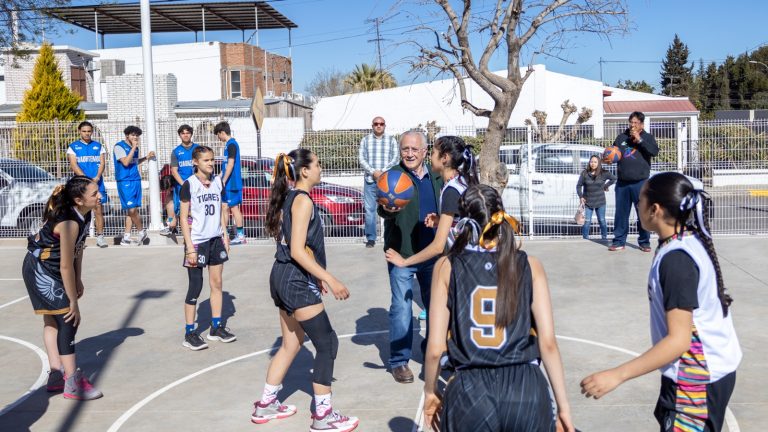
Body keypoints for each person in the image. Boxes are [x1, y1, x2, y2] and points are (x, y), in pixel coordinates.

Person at [581, 172, 741, 432]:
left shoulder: (677, 260)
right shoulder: (686, 240)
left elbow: (679, 341)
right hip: (705, 374)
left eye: (641, 200)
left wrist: (617, 375)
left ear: (654, 209)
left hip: (696, 379)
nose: (637, 206)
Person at [423, 184, 574, 432]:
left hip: (471, 390)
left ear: (462, 222)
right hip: (525, 387)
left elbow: (435, 349)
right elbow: (547, 343)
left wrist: (430, 390)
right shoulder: (530, 265)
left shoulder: (447, 267)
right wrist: (563, 407)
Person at [253, 150, 358, 432]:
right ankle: (323, 416)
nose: (321, 168)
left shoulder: (291, 197)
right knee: (327, 344)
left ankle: (266, 404)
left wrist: (316, 274)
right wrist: (331, 278)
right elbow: (298, 250)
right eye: (318, 163)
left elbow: (298, 249)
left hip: (285, 277)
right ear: (304, 172)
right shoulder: (302, 201)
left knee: (291, 344)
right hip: (294, 280)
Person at [22, 176, 104, 400]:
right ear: (78, 199)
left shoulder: (83, 215)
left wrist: (78, 280)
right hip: (40, 268)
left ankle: (56, 374)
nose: (100, 196)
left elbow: (78, 250)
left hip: (51, 266)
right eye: (95, 194)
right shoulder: (69, 222)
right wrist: (73, 302)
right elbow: (65, 264)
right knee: (69, 319)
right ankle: (72, 382)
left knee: (52, 320)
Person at [385, 135, 478, 321]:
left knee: (452, 317)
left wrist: (404, 262)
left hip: (458, 262)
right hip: (468, 261)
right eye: (405, 149)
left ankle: (440, 349)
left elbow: (437, 245)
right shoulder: (460, 181)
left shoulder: (449, 187)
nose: (410, 154)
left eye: (433, 152)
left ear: (443, 158)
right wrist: (441, 221)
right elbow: (461, 219)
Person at [378, 131, 442, 384]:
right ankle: (399, 361)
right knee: (402, 308)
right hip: (401, 254)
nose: (410, 153)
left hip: (432, 253)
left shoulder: (436, 175)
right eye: (405, 149)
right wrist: (387, 208)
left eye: (415, 149)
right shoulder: (393, 176)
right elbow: (382, 209)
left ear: (425, 152)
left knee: (436, 307)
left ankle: (433, 348)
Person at [179, 146, 235, 350]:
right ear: (195, 162)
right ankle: (189, 332)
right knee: (195, 286)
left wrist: (225, 234)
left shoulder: (218, 182)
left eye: (212, 160)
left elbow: (221, 209)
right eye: (206, 160)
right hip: (197, 241)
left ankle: (216, 327)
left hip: (215, 239)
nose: (210, 163)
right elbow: (183, 218)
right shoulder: (189, 185)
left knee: (217, 283)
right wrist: (190, 247)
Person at [609, 111, 659, 252]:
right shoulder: (621, 137)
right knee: (621, 214)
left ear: (641, 124)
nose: (632, 125)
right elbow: (614, 153)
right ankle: (619, 241)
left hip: (641, 183)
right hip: (622, 183)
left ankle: (644, 242)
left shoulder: (648, 137)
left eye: (636, 123)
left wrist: (640, 140)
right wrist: (608, 157)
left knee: (643, 213)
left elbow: (654, 152)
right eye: (631, 122)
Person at [358, 116, 400, 248]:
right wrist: (373, 172)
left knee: (389, 208)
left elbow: (396, 158)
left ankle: (390, 236)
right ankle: (371, 238)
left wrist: (382, 171)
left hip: (386, 181)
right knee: (370, 210)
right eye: (376, 124)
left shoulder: (391, 140)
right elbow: (361, 158)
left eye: (381, 124)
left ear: (385, 125)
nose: (379, 126)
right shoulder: (365, 140)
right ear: (372, 125)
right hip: (370, 180)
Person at [67, 121, 109, 248]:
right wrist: (86, 180)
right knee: (79, 211)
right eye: (84, 131)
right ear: (80, 131)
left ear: (92, 132)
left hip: (97, 183)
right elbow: (74, 165)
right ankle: (79, 238)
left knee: (98, 210)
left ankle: (100, 237)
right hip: (81, 184)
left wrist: (96, 177)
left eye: (89, 131)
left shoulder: (98, 146)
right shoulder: (73, 147)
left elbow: (102, 163)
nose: (87, 133)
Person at [113, 125, 155, 246]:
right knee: (131, 209)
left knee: (132, 210)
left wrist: (146, 157)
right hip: (124, 180)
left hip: (135, 179)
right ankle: (141, 231)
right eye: (132, 135)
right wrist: (134, 147)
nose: (135, 137)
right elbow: (125, 162)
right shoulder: (119, 146)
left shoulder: (134, 148)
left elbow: (134, 162)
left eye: (137, 135)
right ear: (127, 135)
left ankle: (126, 237)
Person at [161, 124, 199, 236]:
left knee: (194, 208)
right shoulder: (176, 151)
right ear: (180, 135)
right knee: (180, 207)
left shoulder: (197, 149)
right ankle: (172, 227)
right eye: (183, 133)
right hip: (181, 185)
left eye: (188, 133)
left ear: (191, 134)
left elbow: (201, 166)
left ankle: (194, 231)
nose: (185, 135)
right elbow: (174, 170)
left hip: (196, 184)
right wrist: (183, 184)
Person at [214, 121, 245, 245]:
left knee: (234, 208)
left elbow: (231, 164)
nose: (218, 138)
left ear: (222, 132)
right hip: (227, 183)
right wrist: (219, 178)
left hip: (232, 183)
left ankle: (241, 236)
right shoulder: (227, 146)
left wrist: (224, 181)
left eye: (218, 135)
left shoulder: (232, 144)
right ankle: (224, 234)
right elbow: (225, 166)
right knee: (224, 207)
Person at [576, 155, 616, 241]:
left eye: (595, 162)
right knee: (587, 221)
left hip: (600, 201)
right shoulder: (584, 173)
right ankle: (585, 238)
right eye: (591, 162)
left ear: (599, 163)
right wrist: (581, 196)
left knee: (601, 220)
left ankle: (604, 237)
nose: (593, 164)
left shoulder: (604, 173)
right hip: (587, 202)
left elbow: (614, 179)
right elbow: (578, 186)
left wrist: (606, 186)